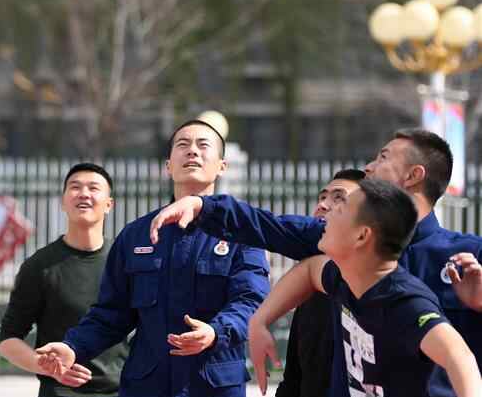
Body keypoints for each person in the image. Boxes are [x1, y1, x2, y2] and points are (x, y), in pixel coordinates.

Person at [36, 120, 270, 397]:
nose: (192, 151)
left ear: (221, 165)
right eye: (182, 144)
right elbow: (110, 314)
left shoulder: (242, 236)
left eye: (203, 145)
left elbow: (251, 301)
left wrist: (216, 332)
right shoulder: (137, 236)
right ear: (168, 165)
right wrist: (72, 347)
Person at [248, 178, 482, 397]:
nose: (326, 212)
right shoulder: (345, 281)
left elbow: (457, 354)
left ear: (362, 235)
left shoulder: (404, 301)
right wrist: (261, 320)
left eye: (341, 206)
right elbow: (309, 270)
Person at [149, 129, 482, 366]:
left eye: (382, 157)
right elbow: (272, 227)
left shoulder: (467, 258)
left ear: (413, 175)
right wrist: (204, 206)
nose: (368, 168)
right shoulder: (343, 240)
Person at [0, 162, 128, 397]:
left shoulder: (126, 265)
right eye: (75, 187)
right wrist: (44, 365)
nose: (84, 193)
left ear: (109, 204)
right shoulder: (40, 267)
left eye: (93, 188)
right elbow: (8, 339)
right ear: (63, 201)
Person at [238, 169, 366, 397]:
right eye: (322, 197)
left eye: (338, 198)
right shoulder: (311, 290)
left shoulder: (375, 291)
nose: (323, 204)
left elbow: (380, 383)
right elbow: (296, 380)